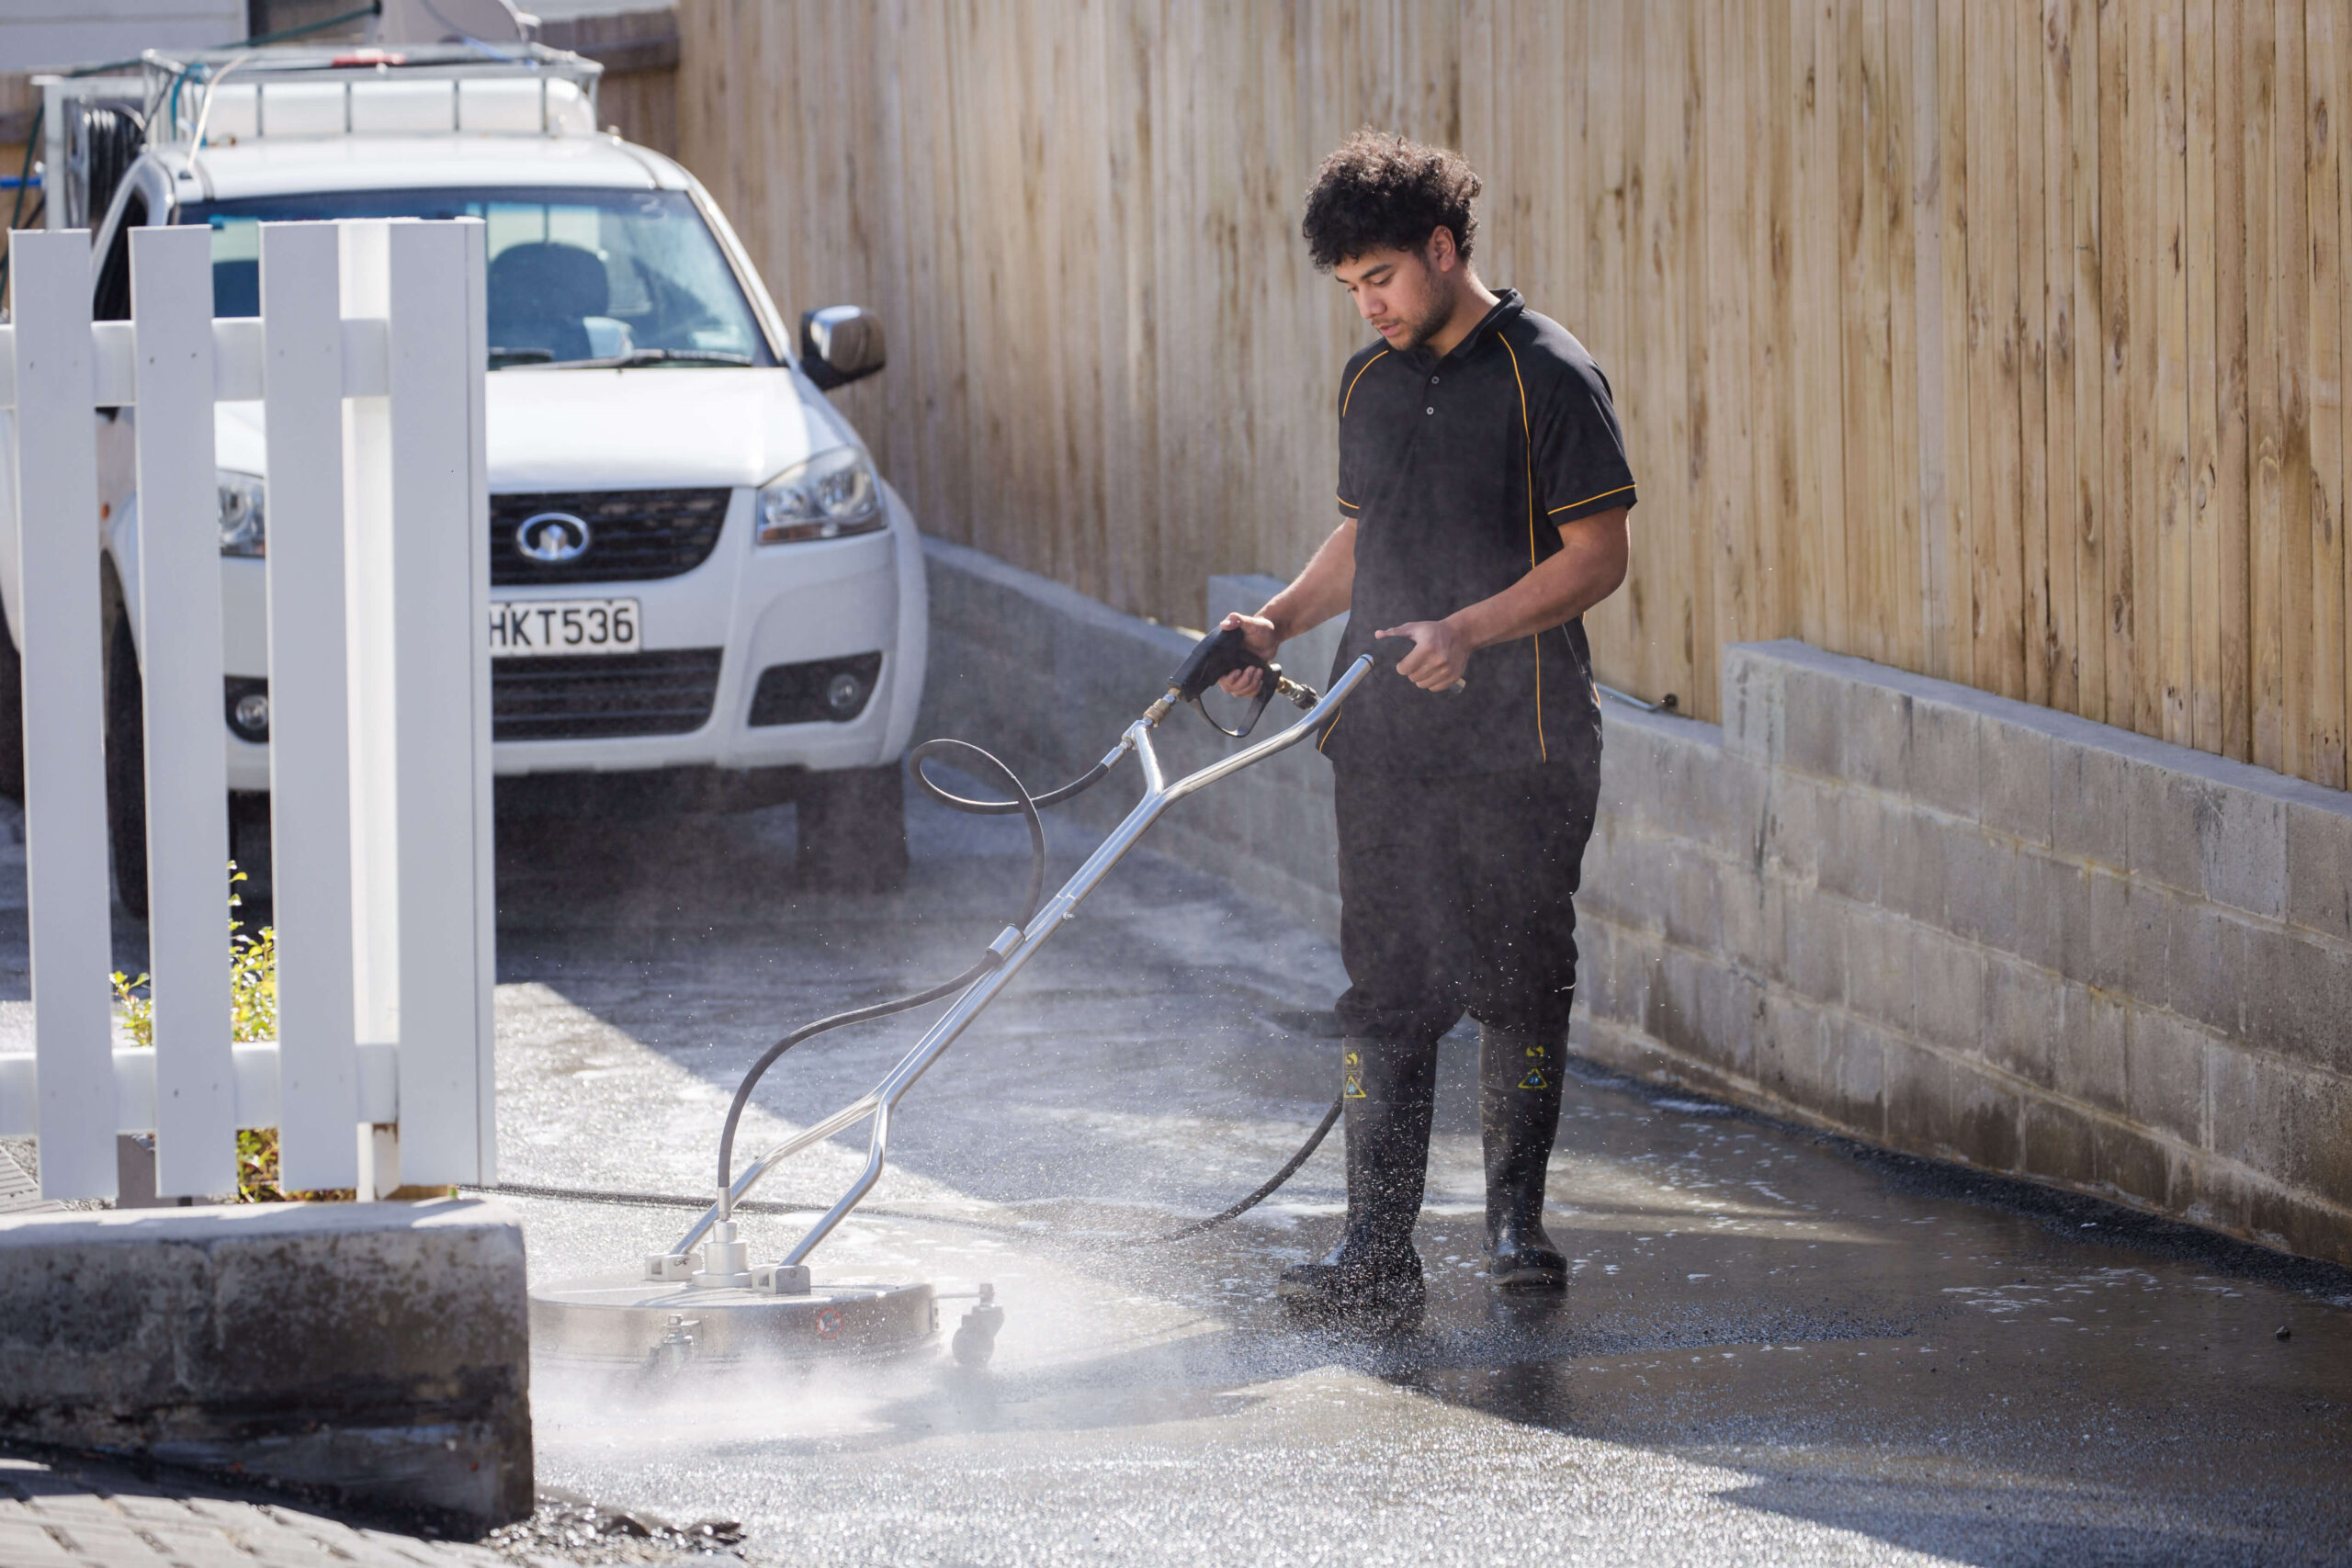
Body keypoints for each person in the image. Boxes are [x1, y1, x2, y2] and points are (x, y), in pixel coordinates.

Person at [1219, 130, 1634, 1325]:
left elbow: (1598, 556)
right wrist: (1278, 621)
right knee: (1387, 991)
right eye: (1351, 287)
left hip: (1524, 743)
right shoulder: (1372, 382)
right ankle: (1374, 1253)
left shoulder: (1550, 376)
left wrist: (1467, 630)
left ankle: (1515, 1230)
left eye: (1384, 278)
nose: (1370, 306)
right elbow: (1367, 533)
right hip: (1383, 744)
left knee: (1520, 981)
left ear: (1445, 249)